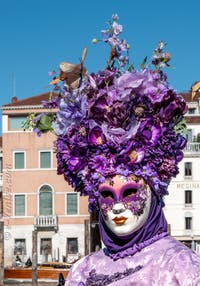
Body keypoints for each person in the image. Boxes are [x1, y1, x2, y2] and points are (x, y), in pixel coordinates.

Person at [29, 14, 200, 285]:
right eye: (107, 196)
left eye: (130, 192)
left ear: (153, 190)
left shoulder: (182, 267)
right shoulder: (83, 270)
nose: (118, 206)